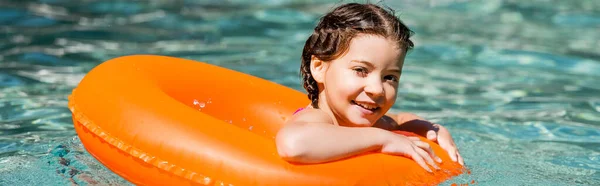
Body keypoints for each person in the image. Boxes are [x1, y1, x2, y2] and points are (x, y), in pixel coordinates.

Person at [275, 3, 464, 172]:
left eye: (389, 77)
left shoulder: (378, 122)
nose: (377, 89)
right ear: (319, 68)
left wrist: (430, 128)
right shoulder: (318, 118)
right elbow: (293, 144)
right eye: (360, 70)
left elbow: (400, 119)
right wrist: (382, 140)